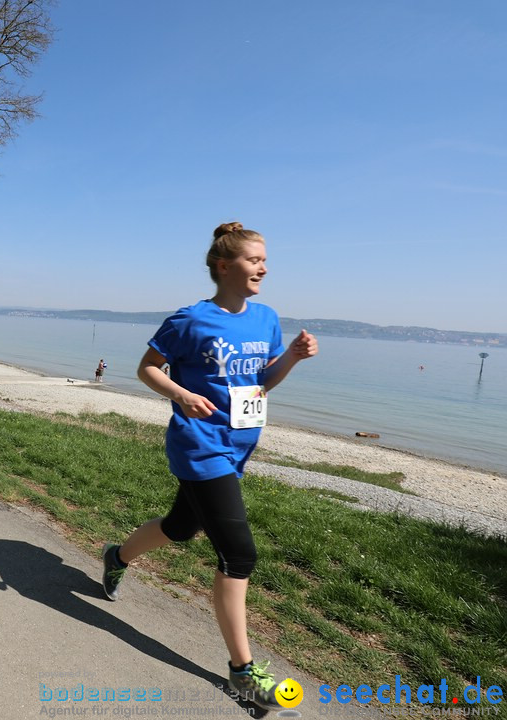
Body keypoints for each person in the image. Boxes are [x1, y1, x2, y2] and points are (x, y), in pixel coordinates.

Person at [100, 222, 318, 710]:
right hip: (200, 446)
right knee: (239, 555)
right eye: (254, 259)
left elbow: (261, 382)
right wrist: (181, 393)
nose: (263, 267)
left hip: (240, 445)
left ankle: (117, 557)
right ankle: (243, 672)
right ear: (224, 266)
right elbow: (148, 368)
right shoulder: (190, 320)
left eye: (265, 260)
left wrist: (294, 359)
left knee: (180, 528)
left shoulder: (266, 318)